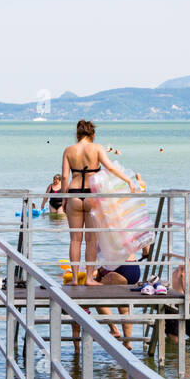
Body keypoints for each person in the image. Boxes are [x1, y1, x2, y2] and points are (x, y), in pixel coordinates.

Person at [60, 119, 142, 283]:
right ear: (92, 134)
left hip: (74, 194)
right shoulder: (97, 148)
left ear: (77, 134)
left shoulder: (68, 150)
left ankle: (75, 278)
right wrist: (129, 181)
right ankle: (89, 278)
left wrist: (63, 198)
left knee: (75, 239)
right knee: (92, 239)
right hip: (92, 195)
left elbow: (64, 176)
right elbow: (110, 167)